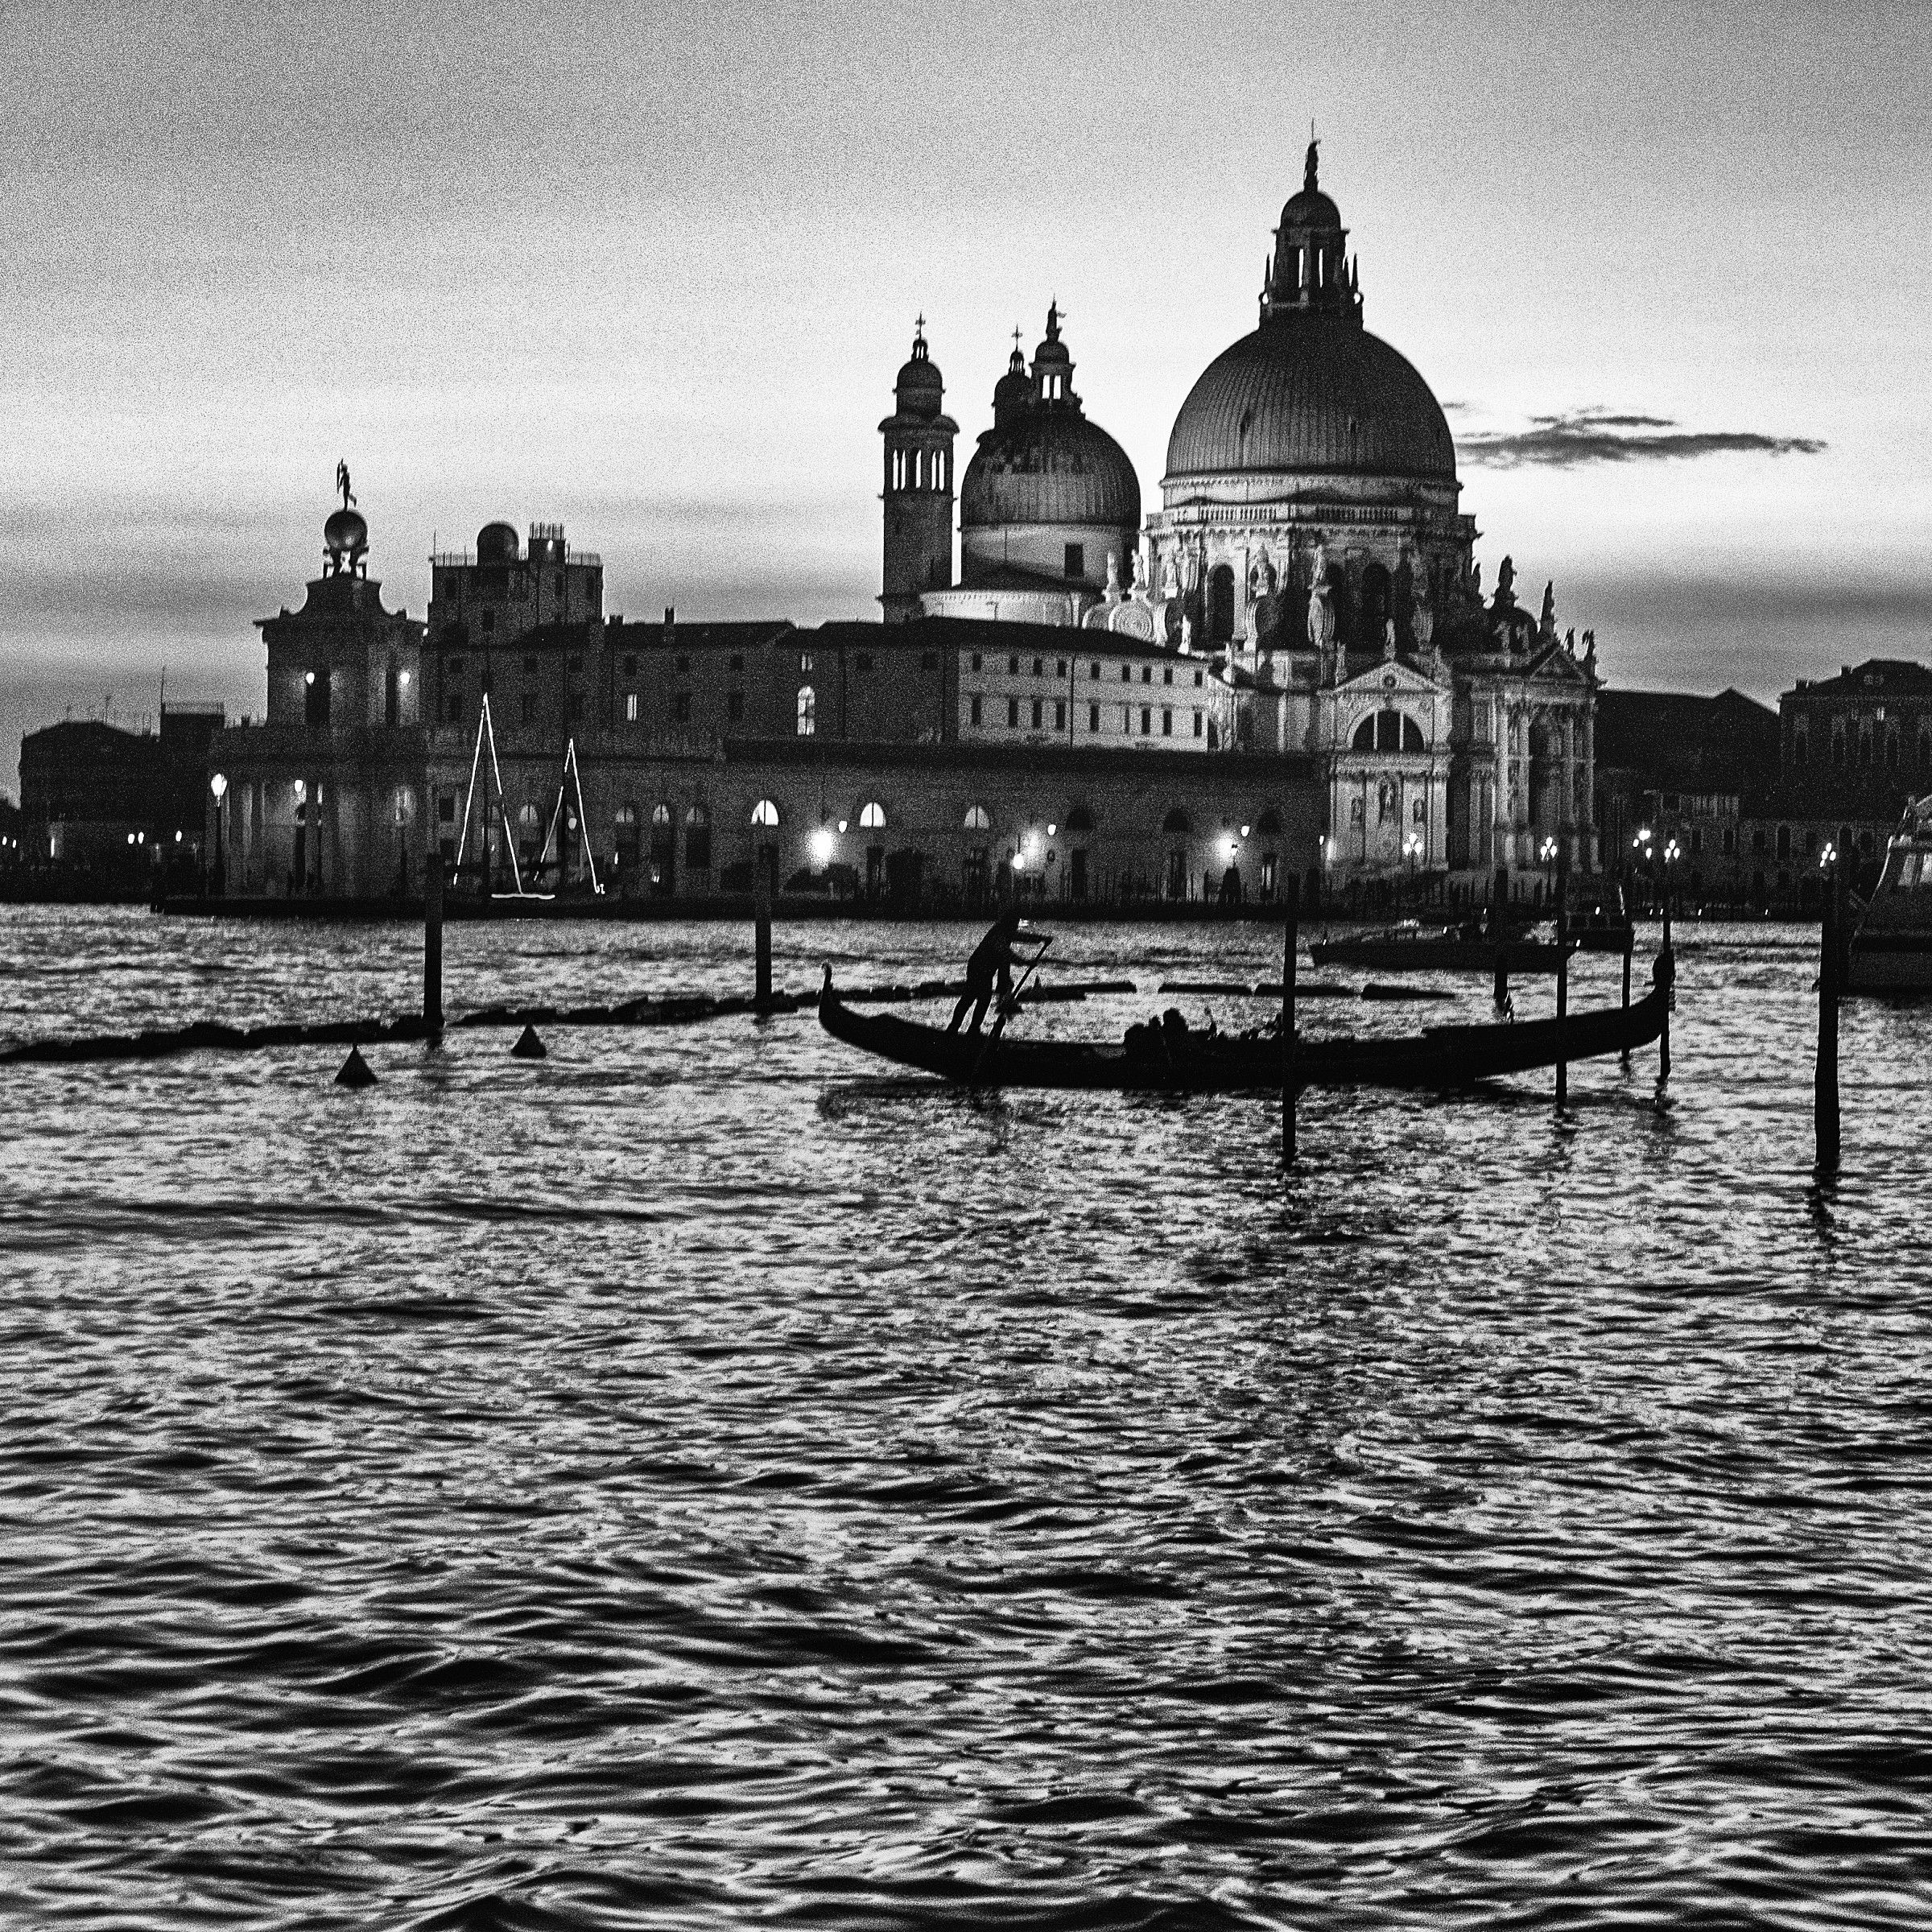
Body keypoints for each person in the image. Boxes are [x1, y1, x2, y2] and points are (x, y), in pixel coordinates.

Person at [948, 910, 1035, 1034]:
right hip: (978, 969)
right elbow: (1006, 953)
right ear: (1009, 924)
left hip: (987, 971)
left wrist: (1041, 939)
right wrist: (1025, 962)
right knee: (973, 998)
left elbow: (1020, 937)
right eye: (1015, 925)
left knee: (979, 999)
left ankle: (970, 1029)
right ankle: (960, 1028)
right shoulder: (998, 934)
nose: (1016, 927)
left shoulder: (1006, 932)